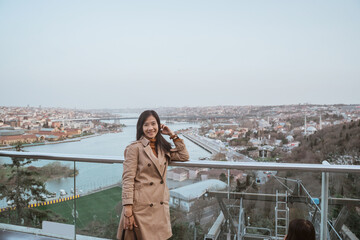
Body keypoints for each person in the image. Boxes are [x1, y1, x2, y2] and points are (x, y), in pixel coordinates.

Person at [117, 110, 189, 240]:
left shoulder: (163, 148)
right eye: (146, 125)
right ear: (141, 128)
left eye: (153, 124)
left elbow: (184, 156)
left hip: (160, 206)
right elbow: (128, 179)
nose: (150, 128)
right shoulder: (134, 148)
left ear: (159, 125)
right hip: (141, 208)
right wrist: (127, 209)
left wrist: (172, 134)